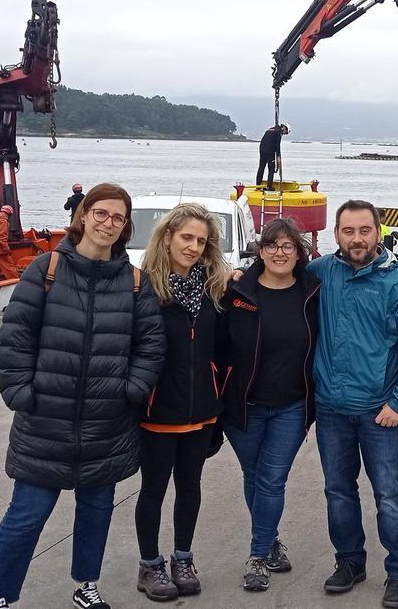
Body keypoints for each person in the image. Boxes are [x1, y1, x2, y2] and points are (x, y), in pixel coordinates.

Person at [0, 183, 165, 609]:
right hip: (46, 417)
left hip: (107, 420)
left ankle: (86, 586)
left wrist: (131, 389)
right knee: (27, 514)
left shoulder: (134, 281)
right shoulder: (46, 269)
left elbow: (151, 345)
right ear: (83, 216)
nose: (108, 224)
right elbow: (15, 337)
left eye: (118, 218)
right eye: (101, 213)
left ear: (125, 227)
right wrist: (21, 392)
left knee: (97, 509)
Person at [311, 199, 398, 609]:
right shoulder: (323, 272)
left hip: (380, 410)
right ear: (337, 235)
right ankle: (350, 562)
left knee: (391, 494)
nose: (357, 238)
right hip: (331, 408)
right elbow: (277, 273)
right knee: (338, 491)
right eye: (349, 231)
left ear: (377, 232)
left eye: (365, 230)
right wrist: (243, 271)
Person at [132, 203, 232, 602]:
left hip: (201, 410)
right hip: (158, 409)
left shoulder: (214, 287)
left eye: (201, 241)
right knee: (153, 489)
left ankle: (183, 558)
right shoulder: (144, 288)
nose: (192, 247)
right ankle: (150, 565)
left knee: (190, 487)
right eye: (186, 237)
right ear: (168, 237)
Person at [223, 217, 321, 593]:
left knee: (271, 479)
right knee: (255, 477)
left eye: (288, 246)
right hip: (243, 406)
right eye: (272, 246)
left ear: (299, 253)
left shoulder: (313, 293)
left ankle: (258, 554)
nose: (280, 253)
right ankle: (272, 539)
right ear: (260, 251)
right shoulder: (236, 292)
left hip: (292, 406)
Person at [257, 123, 290, 190]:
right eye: (285, 133)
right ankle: (269, 186)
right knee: (271, 169)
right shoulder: (278, 132)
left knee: (261, 168)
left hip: (262, 150)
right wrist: (278, 157)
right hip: (270, 152)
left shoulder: (270, 129)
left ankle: (258, 185)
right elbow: (277, 145)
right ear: (284, 128)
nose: (283, 134)